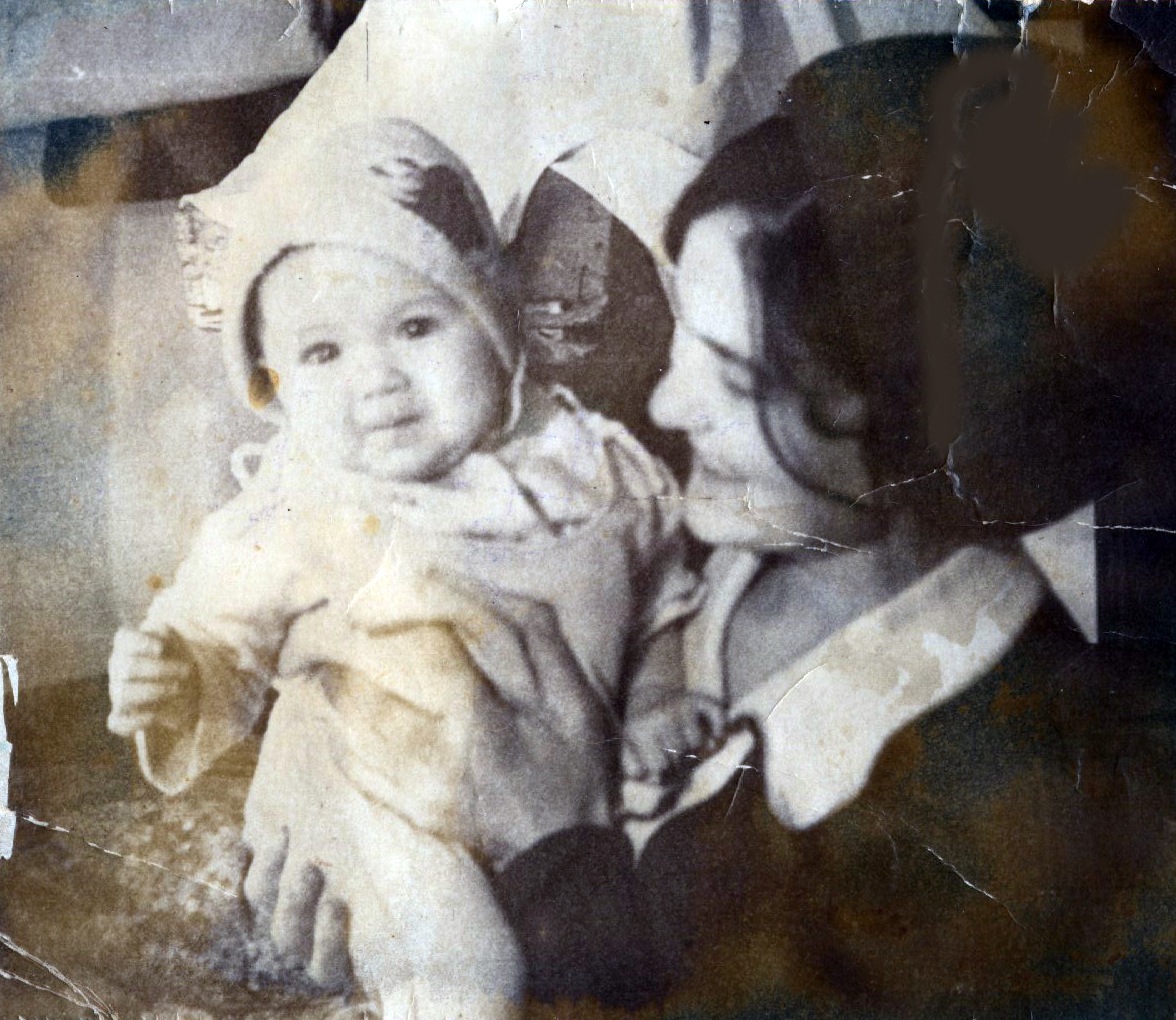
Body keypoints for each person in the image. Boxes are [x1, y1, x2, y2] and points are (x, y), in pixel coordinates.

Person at [242, 34, 1176, 1019]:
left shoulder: (982, 821)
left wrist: (557, 847)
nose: (669, 403)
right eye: (685, 332)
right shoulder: (761, 534)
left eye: (730, 376)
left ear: (912, 425)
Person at [104, 118, 712, 1018]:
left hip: (568, 775)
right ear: (273, 381)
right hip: (376, 800)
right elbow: (218, 634)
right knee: (472, 971)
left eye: (416, 326)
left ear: (496, 327)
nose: (376, 379)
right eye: (323, 351)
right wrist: (176, 679)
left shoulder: (589, 461)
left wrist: (659, 697)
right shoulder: (297, 504)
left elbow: (659, 590)